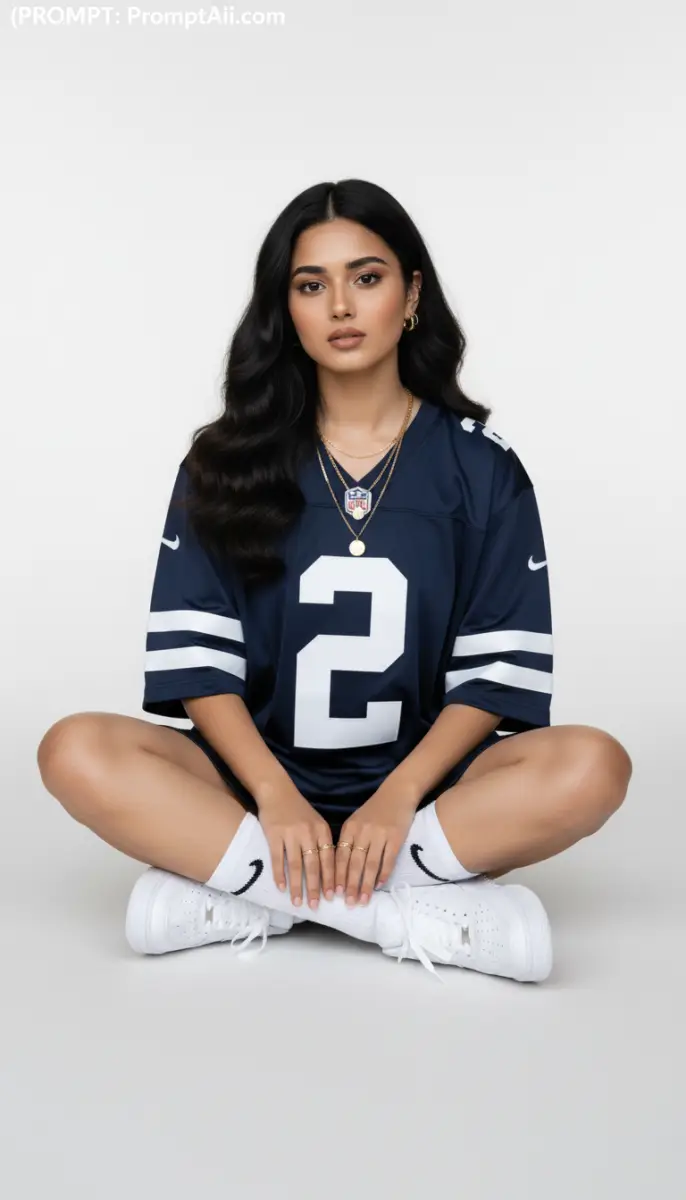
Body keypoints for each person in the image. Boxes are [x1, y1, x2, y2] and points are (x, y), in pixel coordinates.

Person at [36, 178, 632, 983]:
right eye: (312, 285)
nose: (342, 306)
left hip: (425, 794)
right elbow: (200, 666)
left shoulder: (482, 470)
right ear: (287, 310)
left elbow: (493, 675)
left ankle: (252, 891)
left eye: (368, 276)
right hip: (253, 782)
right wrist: (276, 797)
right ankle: (394, 912)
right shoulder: (225, 462)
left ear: (411, 292)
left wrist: (400, 797)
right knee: (74, 748)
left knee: (595, 765)